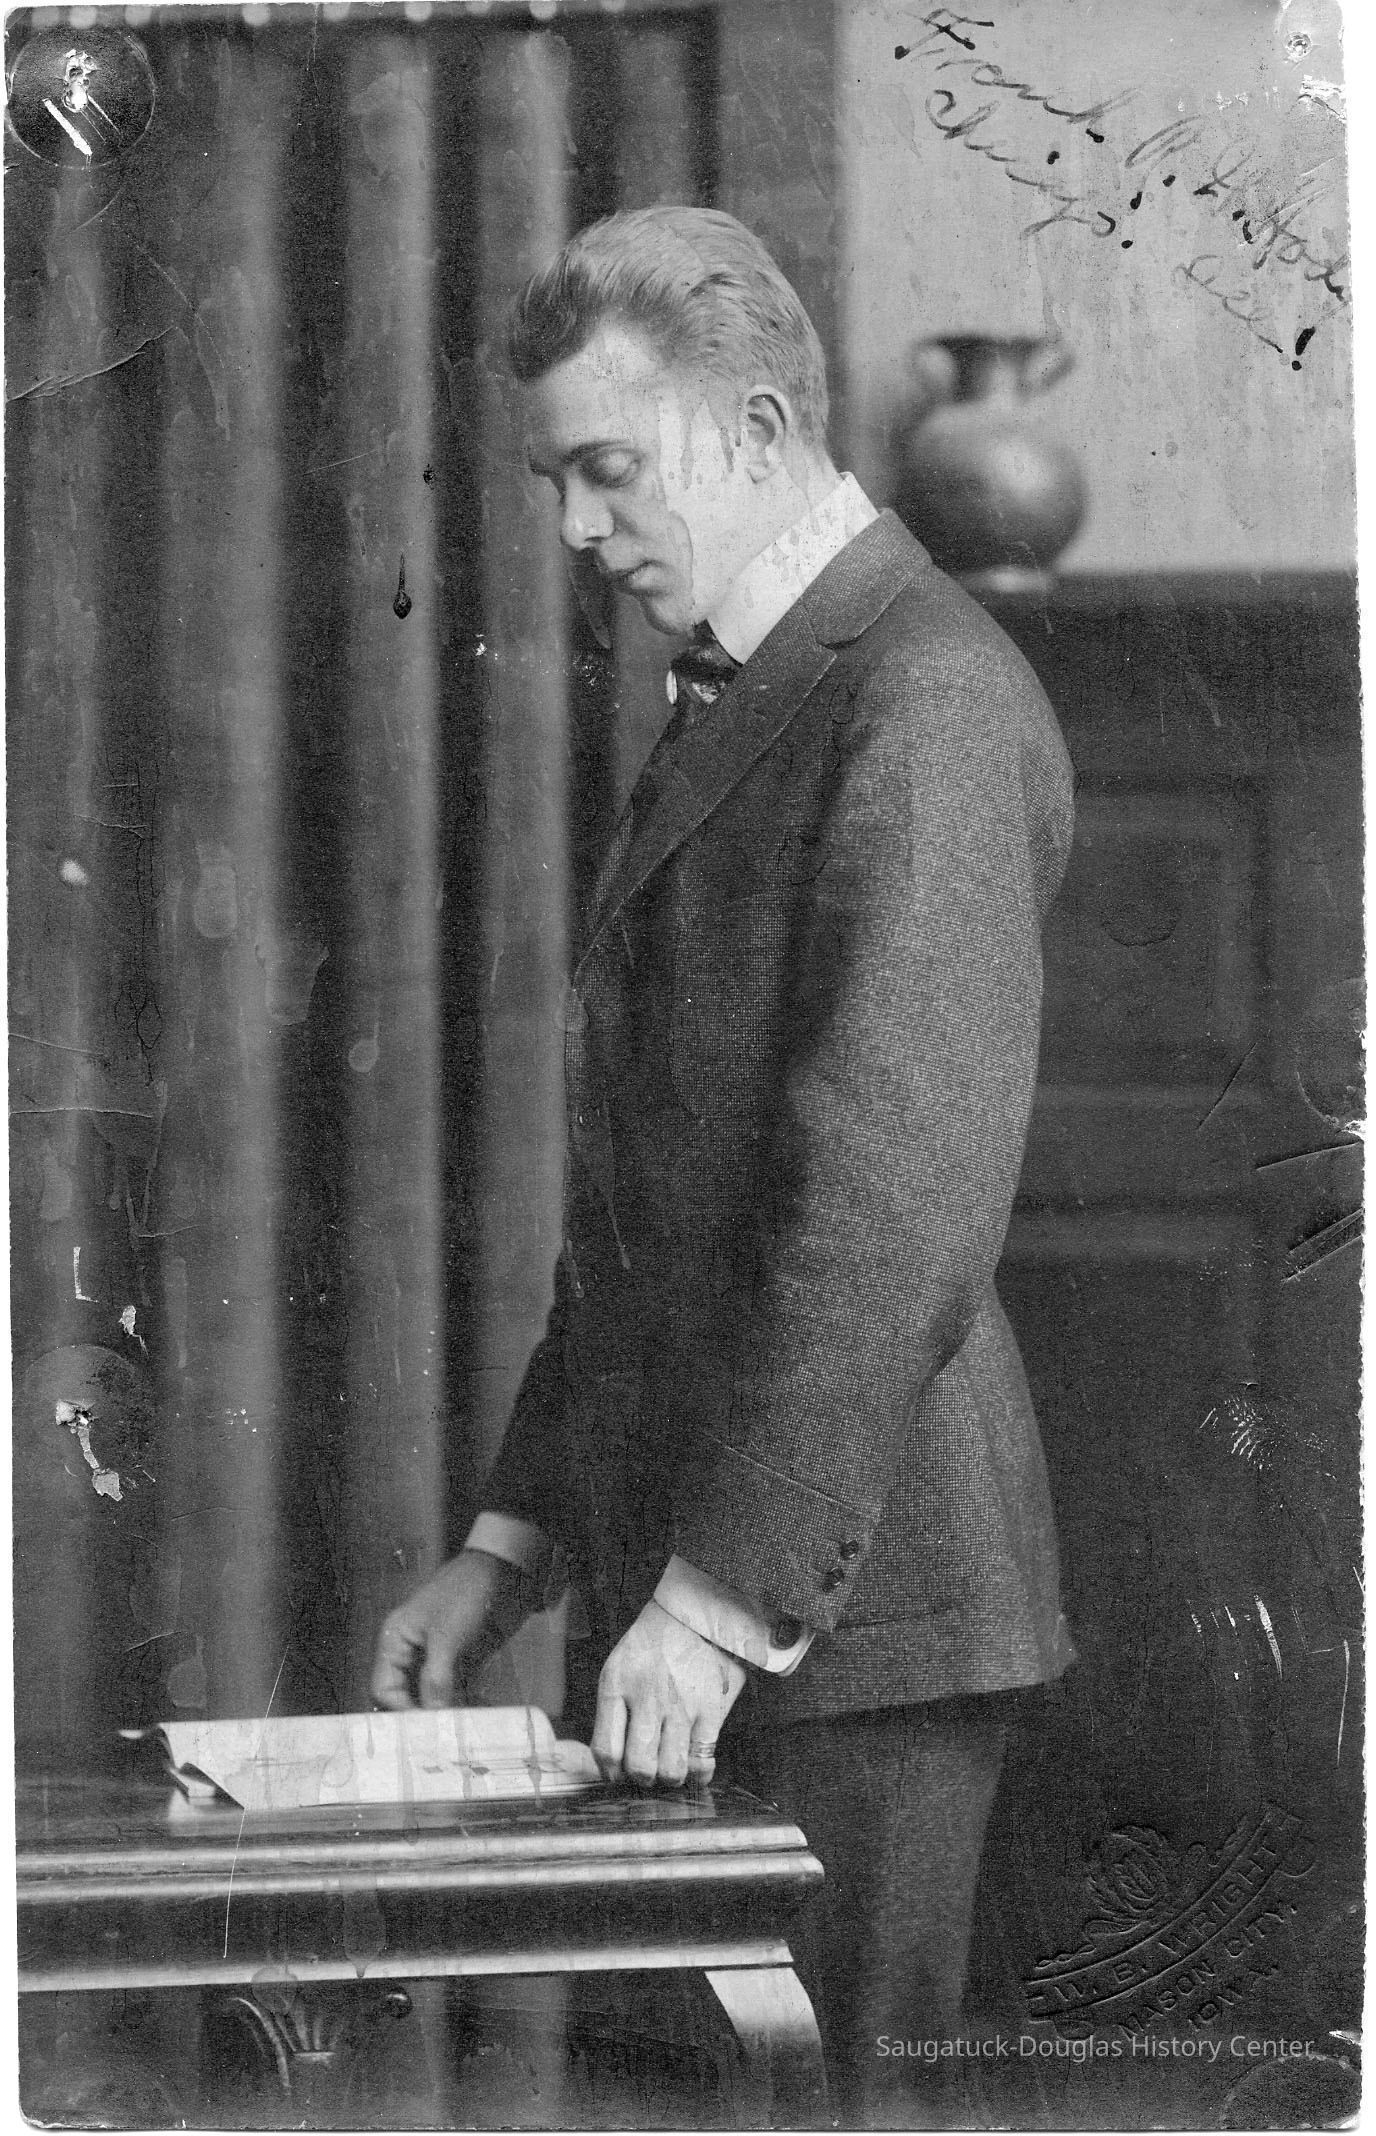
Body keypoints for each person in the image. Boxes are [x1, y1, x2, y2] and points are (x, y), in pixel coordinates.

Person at [372, 204, 1076, 2117]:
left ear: (758, 431)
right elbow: (659, 1211)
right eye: (556, 481)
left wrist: (708, 1601)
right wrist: (509, 1549)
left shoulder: (922, 693)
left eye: (608, 470)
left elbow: (887, 1213)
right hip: (709, 1600)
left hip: (844, 1622)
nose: (576, 527)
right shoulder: (760, 686)